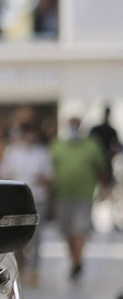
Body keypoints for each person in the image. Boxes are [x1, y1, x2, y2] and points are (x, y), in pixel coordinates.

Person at [49, 115, 108, 279]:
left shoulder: (92, 146)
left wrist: (104, 188)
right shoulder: (57, 146)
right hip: (63, 195)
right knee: (67, 230)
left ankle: (77, 261)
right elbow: (50, 170)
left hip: (84, 195)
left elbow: (101, 169)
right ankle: (75, 259)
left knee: (80, 228)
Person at [0, 120, 53, 286]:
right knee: (18, 238)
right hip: (17, 202)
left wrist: (42, 181)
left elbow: (50, 178)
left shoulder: (42, 153)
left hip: (38, 200)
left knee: (36, 238)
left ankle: (34, 271)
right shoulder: (12, 152)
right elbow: (4, 176)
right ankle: (20, 269)